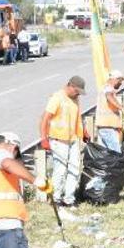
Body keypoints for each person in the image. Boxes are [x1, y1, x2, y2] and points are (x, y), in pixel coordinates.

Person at [40, 76, 87, 213]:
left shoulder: (75, 99)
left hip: (72, 139)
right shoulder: (57, 97)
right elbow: (45, 119)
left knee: (74, 168)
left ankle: (69, 198)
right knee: (60, 170)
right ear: (70, 86)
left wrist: (84, 131)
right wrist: (44, 138)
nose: (78, 94)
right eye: (77, 91)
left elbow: (78, 117)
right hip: (58, 140)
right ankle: (56, 198)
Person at [95, 70, 124, 153]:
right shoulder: (109, 89)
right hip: (107, 127)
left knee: (106, 155)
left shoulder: (105, 88)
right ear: (116, 79)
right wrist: (122, 108)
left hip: (104, 126)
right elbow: (109, 96)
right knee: (115, 153)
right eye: (120, 81)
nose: (120, 84)